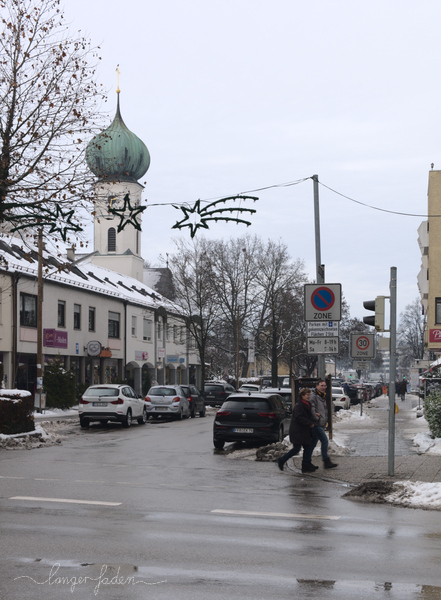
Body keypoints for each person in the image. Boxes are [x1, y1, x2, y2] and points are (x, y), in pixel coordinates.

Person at [277, 388, 318, 473]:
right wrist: (309, 423)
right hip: (298, 431)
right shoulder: (299, 405)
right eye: (307, 395)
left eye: (309, 395)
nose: (309, 396)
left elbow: (307, 415)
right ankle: (282, 460)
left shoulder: (307, 403)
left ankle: (306, 465)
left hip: (304, 430)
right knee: (296, 449)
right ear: (302, 395)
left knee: (307, 447)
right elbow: (299, 417)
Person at [309, 379, 338, 469]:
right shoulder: (313, 396)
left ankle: (306, 462)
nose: (324, 387)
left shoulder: (321, 396)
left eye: (325, 386)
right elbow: (311, 409)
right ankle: (326, 461)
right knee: (324, 441)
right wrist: (317, 418)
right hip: (316, 424)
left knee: (312, 444)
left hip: (320, 423)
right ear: (317, 386)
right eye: (321, 385)